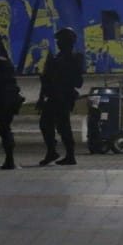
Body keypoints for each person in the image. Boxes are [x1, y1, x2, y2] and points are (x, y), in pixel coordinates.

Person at [37, 26, 83, 166]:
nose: (57, 43)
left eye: (60, 40)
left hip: (62, 97)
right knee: (48, 124)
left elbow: (78, 82)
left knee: (62, 126)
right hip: (54, 96)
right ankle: (55, 152)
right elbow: (46, 79)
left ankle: (67, 154)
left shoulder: (73, 58)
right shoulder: (57, 58)